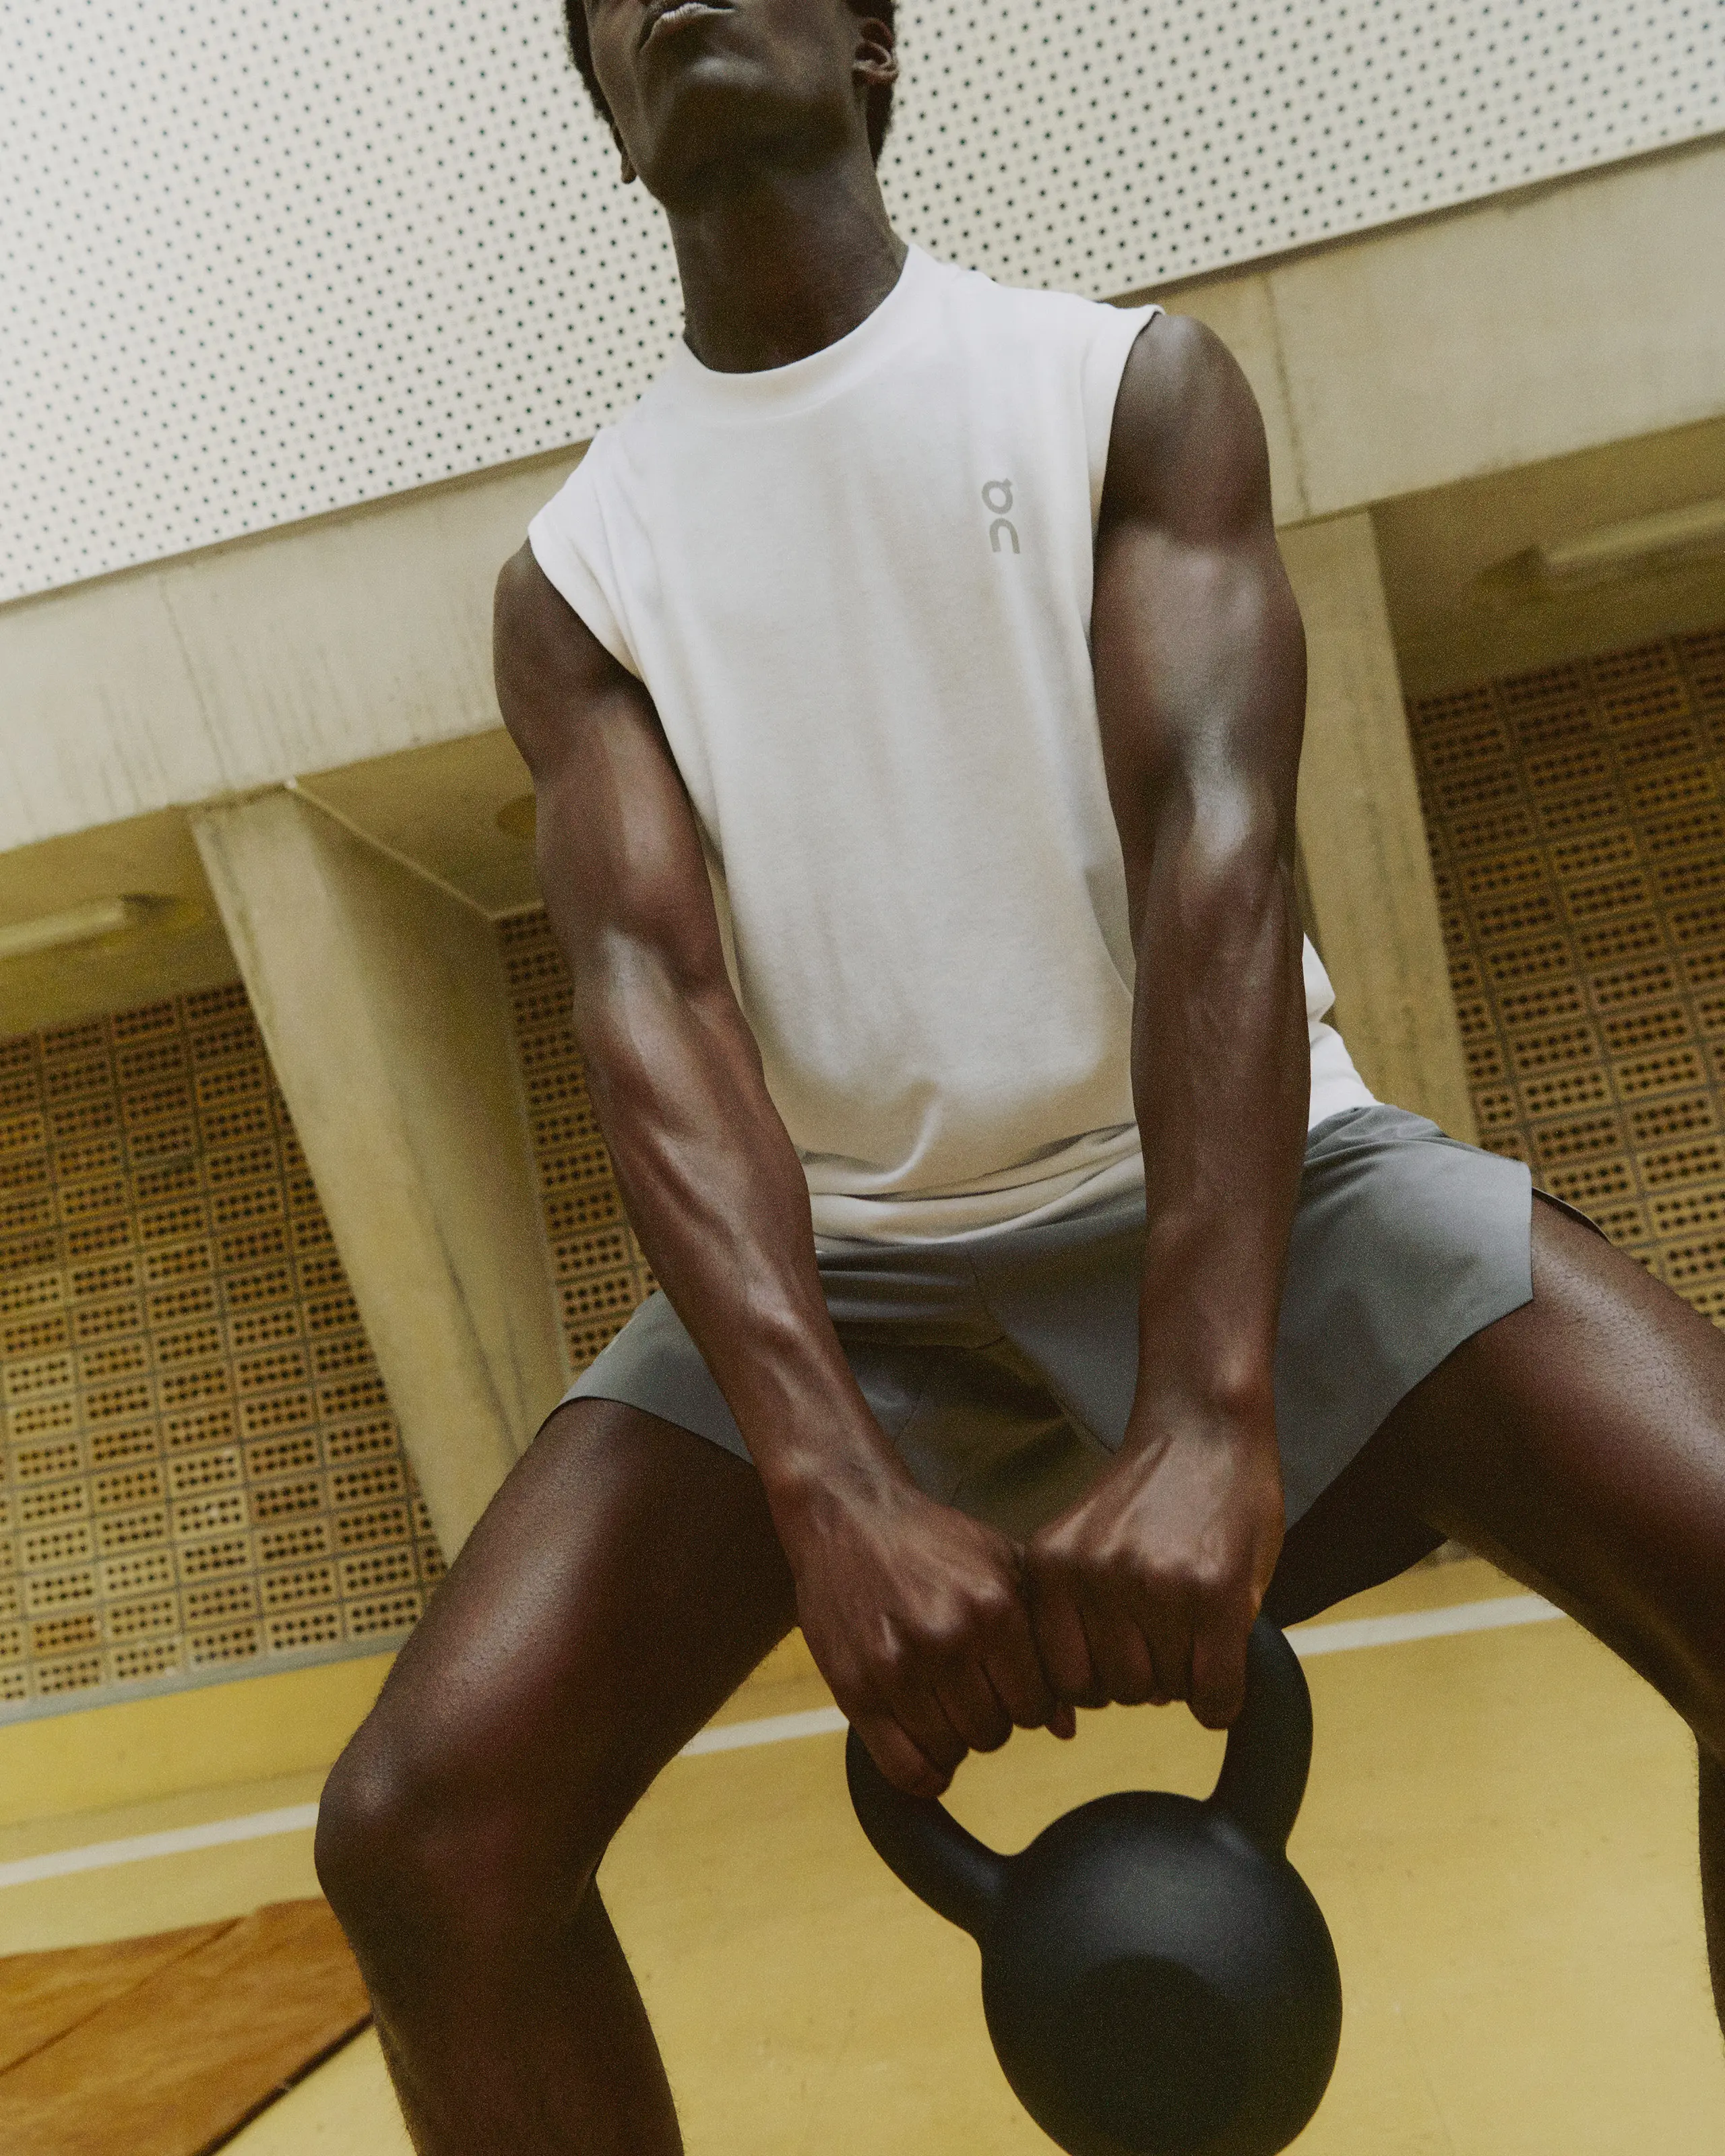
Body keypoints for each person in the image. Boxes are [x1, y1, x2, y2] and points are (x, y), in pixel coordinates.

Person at [313, 5, 1725, 2148]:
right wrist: (828, 1488)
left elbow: (1214, 855)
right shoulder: (579, 580)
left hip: (1265, 1191)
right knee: (421, 1830)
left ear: (876, 45)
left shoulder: (1124, 391)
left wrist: (1211, 1409)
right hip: (853, 1273)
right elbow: (653, 1008)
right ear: (609, 117)